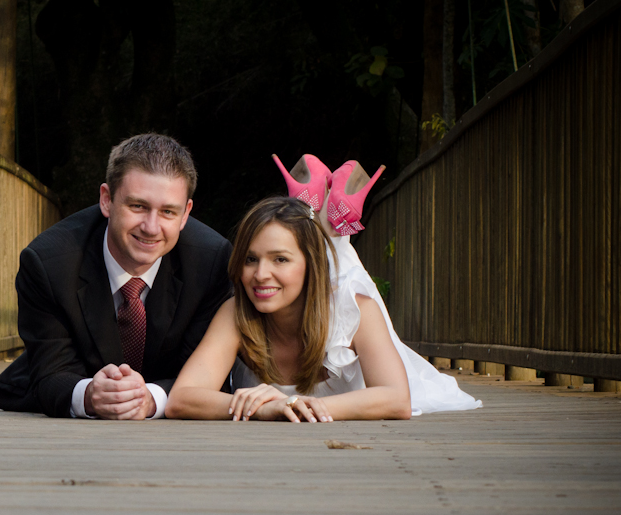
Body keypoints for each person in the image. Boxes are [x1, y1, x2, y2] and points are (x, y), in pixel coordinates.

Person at [166, 156, 480, 422]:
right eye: (250, 259)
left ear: (312, 265)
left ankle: (324, 220)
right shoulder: (236, 313)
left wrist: (305, 407)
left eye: (280, 259)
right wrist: (265, 408)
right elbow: (182, 398)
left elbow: (397, 399)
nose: (261, 274)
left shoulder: (354, 308)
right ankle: (323, 214)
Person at [0, 133, 234, 419]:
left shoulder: (212, 262)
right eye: (138, 206)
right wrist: (90, 395)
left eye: (168, 211)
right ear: (106, 200)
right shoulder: (48, 264)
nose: (151, 227)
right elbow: (51, 370)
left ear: (185, 214)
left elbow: (199, 370)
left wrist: (151, 399)